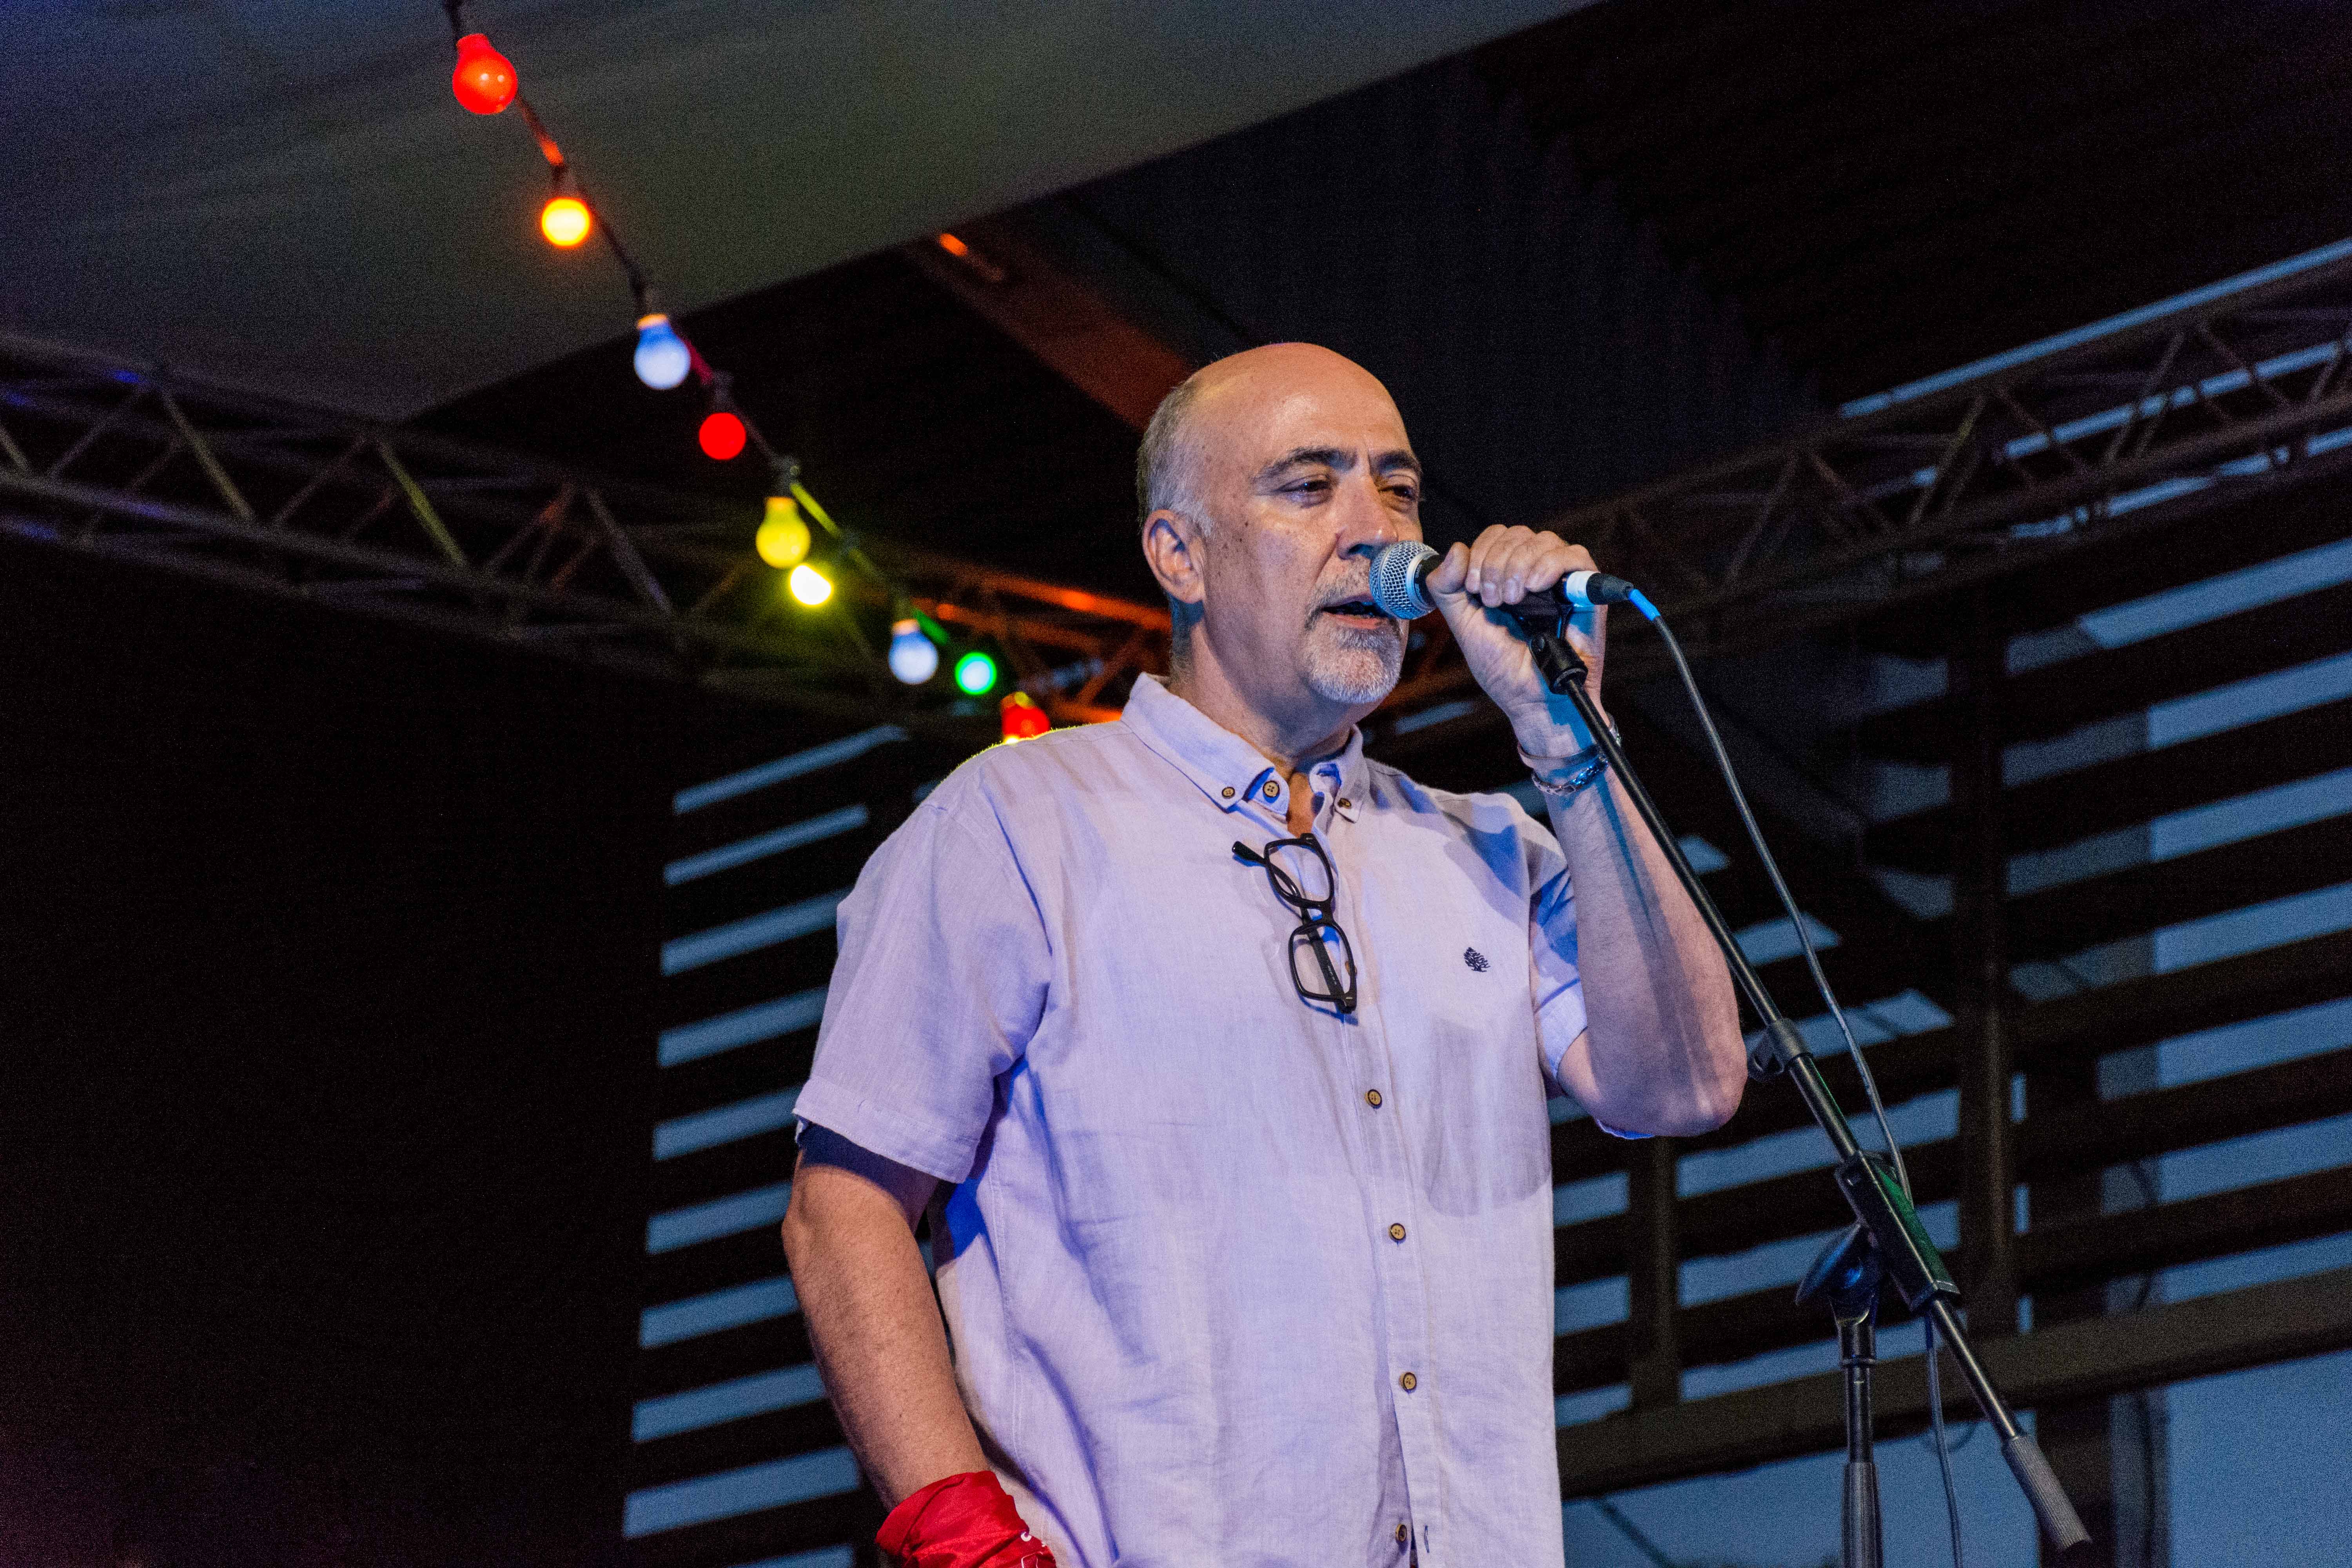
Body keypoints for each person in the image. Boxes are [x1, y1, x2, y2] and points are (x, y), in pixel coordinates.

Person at [780, 343, 1746, 1568]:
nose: (1374, 530)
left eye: (1397, 490)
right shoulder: (1019, 824)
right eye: (1308, 485)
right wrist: (968, 1547)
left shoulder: (1487, 846)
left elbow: (1689, 1085)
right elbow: (843, 1206)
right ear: (1178, 553)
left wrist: (1575, 743)